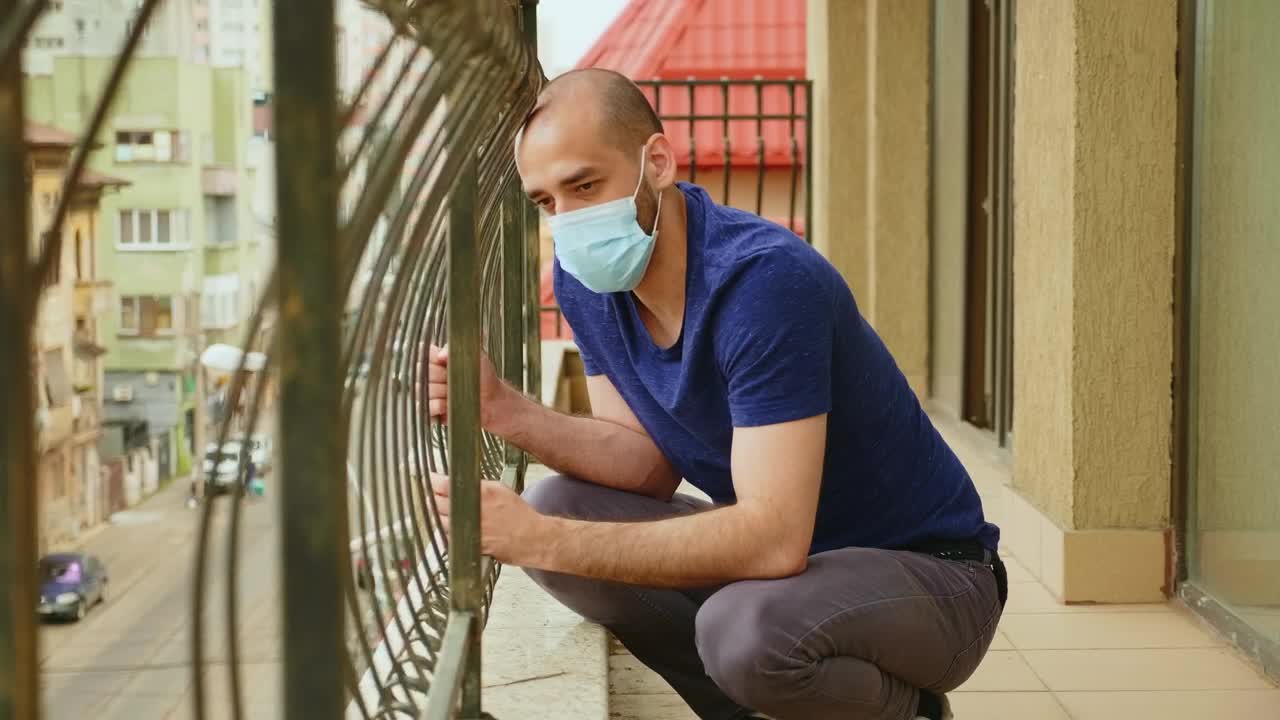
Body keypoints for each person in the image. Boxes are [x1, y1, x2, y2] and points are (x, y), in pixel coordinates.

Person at [427, 68, 1006, 720]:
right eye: (546, 202)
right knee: (561, 502)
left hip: (935, 579)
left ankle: (907, 713)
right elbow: (642, 463)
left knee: (742, 631)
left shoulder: (764, 283)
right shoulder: (585, 282)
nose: (568, 221)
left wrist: (540, 540)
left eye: (585, 185)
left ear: (658, 162)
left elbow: (771, 540)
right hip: (793, 576)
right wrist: (505, 410)